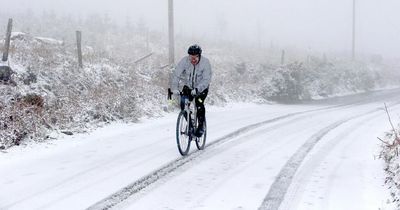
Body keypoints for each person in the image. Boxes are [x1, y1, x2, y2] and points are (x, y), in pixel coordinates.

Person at [170, 44, 212, 137]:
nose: (193, 60)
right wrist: (175, 88)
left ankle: (201, 126)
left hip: (201, 89)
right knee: (182, 104)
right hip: (188, 87)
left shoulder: (205, 63)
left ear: (199, 56)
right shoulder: (184, 62)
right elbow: (176, 75)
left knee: (199, 103)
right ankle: (190, 126)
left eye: (195, 58)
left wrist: (198, 89)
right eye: (191, 57)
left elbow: (206, 79)